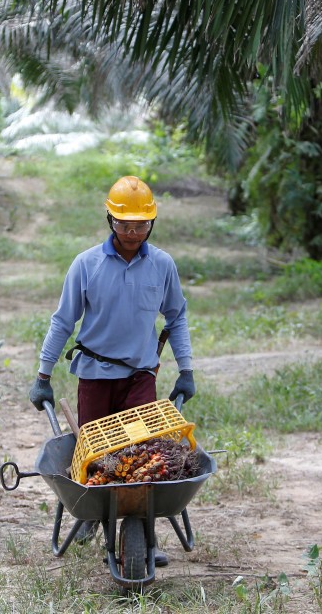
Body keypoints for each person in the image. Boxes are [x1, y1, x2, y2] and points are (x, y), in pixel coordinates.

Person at [28, 175, 196, 565]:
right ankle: (93, 516)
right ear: (110, 220)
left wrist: (186, 369)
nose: (133, 231)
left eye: (141, 223)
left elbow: (177, 317)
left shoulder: (162, 265)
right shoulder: (86, 265)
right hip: (95, 376)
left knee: (142, 458)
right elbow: (62, 321)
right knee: (97, 457)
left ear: (151, 223)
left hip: (140, 378)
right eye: (125, 223)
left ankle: (145, 540)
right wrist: (42, 375)